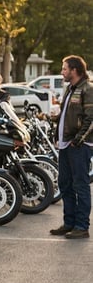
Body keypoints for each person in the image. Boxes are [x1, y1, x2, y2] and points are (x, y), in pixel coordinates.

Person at [49, 55, 93, 239]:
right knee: (65, 183)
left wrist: (78, 140)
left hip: (79, 145)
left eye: (64, 69)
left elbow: (91, 119)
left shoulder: (88, 89)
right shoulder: (70, 88)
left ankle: (82, 226)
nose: (62, 72)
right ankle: (69, 223)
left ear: (74, 70)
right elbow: (66, 115)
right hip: (66, 144)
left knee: (80, 185)